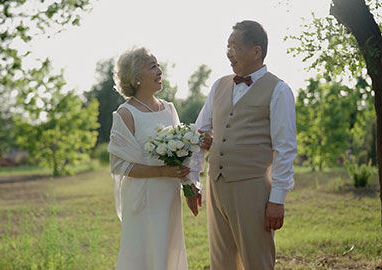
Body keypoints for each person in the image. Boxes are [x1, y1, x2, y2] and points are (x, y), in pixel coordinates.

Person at [189, 20, 298, 269]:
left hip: (252, 189)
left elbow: (285, 148)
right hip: (216, 186)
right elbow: (198, 132)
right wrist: (193, 179)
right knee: (221, 262)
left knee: (257, 262)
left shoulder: (279, 90)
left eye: (234, 47)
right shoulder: (219, 85)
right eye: (227, 46)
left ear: (256, 51)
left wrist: (277, 200)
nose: (228, 53)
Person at [107, 47, 199, 270]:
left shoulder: (168, 108)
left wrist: (191, 186)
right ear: (136, 77)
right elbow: (121, 165)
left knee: (167, 249)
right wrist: (161, 172)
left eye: (158, 65)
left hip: (169, 194)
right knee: (143, 252)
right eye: (152, 66)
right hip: (143, 196)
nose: (160, 70)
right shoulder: (126, 114)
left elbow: (183, 154)